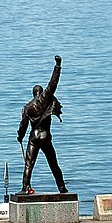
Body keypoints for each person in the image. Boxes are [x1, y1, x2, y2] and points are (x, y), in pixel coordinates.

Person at [17, 55, 68, 195]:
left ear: (33, 93)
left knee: (29, 164)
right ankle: (62, 188)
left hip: (33, 136)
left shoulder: (27, 107)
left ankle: (24, 188)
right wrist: (58, 65)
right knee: (53, 163)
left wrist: (20, 137)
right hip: (45, 135)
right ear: (40, 92)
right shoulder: (45, 98)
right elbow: (53, 83)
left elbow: (23, 125)